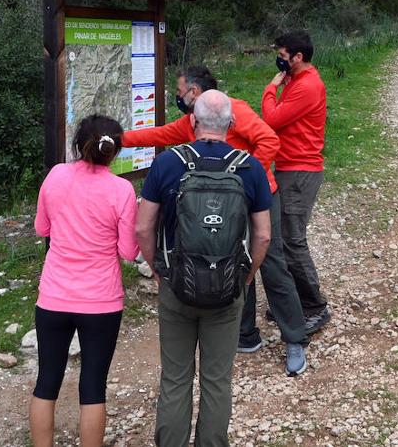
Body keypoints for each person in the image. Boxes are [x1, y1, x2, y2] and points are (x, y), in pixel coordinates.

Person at [121, 65, 308, 375]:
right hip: (223, 204)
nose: (178, 97)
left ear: (194, 93)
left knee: (272, 264)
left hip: (258, 197)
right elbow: (160, 134)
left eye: (180, 92)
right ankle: (245, 334)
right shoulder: (195, 121)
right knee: (233, 257)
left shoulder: (234, 110)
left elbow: (269, 141)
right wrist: (119, 138)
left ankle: (295, 339)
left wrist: (246, 178)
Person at [135, 90, 273, 447]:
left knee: (176, 379)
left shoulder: (166, 164)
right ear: (231, 124)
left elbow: (142, 227)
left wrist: (158, 268)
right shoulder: (250, 168)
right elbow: (263, 236)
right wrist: (245, 276)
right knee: (216, 380)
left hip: (177, 286)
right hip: (228, 289)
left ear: (193, 122)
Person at [30, 115, 138, 447]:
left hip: (53, 297)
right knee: (93, 385)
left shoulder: (56, 175)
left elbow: (41, 229)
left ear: (78, 144)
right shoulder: (122, 190)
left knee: (47, 380)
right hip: (101, 302)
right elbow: (128, 252)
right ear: (115, 151)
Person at [261, 30, 330, 334]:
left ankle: (315, 307)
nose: (279, 59)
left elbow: (272, 119)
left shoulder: (308, 85)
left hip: (300, 170)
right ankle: (293, 303)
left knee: (292, 239)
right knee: (285, 237)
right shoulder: (296, 80)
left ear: (298, 57)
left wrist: (270, 88)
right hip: (288, 166)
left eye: (282, 54)